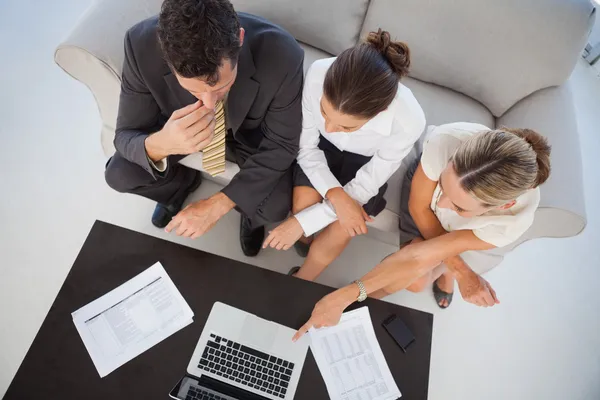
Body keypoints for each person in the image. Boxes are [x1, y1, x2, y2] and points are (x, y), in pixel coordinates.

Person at [292, 123, 552, 340]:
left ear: (502, 206)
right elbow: (421, 208)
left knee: (416, 282)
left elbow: (421, 254)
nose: (442, 204)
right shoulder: (447, 141)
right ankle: (452, 269)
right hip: (421, 200)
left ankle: (355, 305)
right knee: (419, 271)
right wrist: (464, 272)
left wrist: (343, 296)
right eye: (443, 186)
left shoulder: (510, 223)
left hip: (460, 234)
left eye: (459, 206)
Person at [104, 0, 304, 257]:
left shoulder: (283, 55)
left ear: (240, 38)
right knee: (119, 175)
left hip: (246, 138)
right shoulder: (138, 44)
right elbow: (125, 135)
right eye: (193, 90)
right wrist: (163, 143)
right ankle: (179, 186)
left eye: (221, 86)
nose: (209, 103)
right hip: (177, 133)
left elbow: (283, 144)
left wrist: (220, 203)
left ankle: (248, 215)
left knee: (275, 206)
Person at [262, 30, 426, 281]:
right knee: (302, 204)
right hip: (319, 149)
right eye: (324, 113)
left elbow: (369, 182)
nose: (329, 127)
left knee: (341, 229)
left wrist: (302, 222)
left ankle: (302, 280)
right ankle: (306, 239)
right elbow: (307, 148)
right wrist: (335, 197)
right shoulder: (319, 73)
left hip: (367, 163)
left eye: (346, 126)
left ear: (380, 111)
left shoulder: (409, 121)